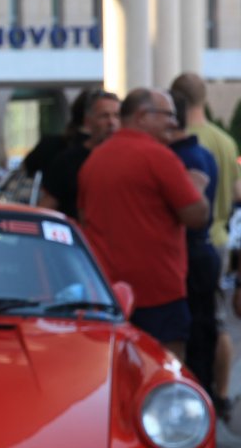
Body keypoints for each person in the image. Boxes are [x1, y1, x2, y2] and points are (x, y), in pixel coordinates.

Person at [78, 89, 209, 359]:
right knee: (164, 369)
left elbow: (83, 217)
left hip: (108, 293)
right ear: (142, 116)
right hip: (158, 293)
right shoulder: (159, 157)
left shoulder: (94, 160)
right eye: (168, 115)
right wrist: (197, 188)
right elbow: (197, 217)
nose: (174, 122)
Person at [171, 72, 239, 418]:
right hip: (221, 238)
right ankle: (222, 393)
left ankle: (196, 393)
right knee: (218, 321)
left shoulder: (184, 144)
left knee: (194, 323)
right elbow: (237, 192)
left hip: (193, 242)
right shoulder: (224, 141)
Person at [170, 94, 221, 399]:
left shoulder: (182, 159)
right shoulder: (203, 152)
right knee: (203, 330)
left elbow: (193, 213)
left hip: (192, 252)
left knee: (196, 334)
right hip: (203, 249)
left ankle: (199, 397)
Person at [37, 89, 120, 218]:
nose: (111, 122)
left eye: (117, 115)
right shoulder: (67, 161)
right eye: (104, 116)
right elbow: (46, 208)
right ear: (88, 122)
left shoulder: (130, 159)